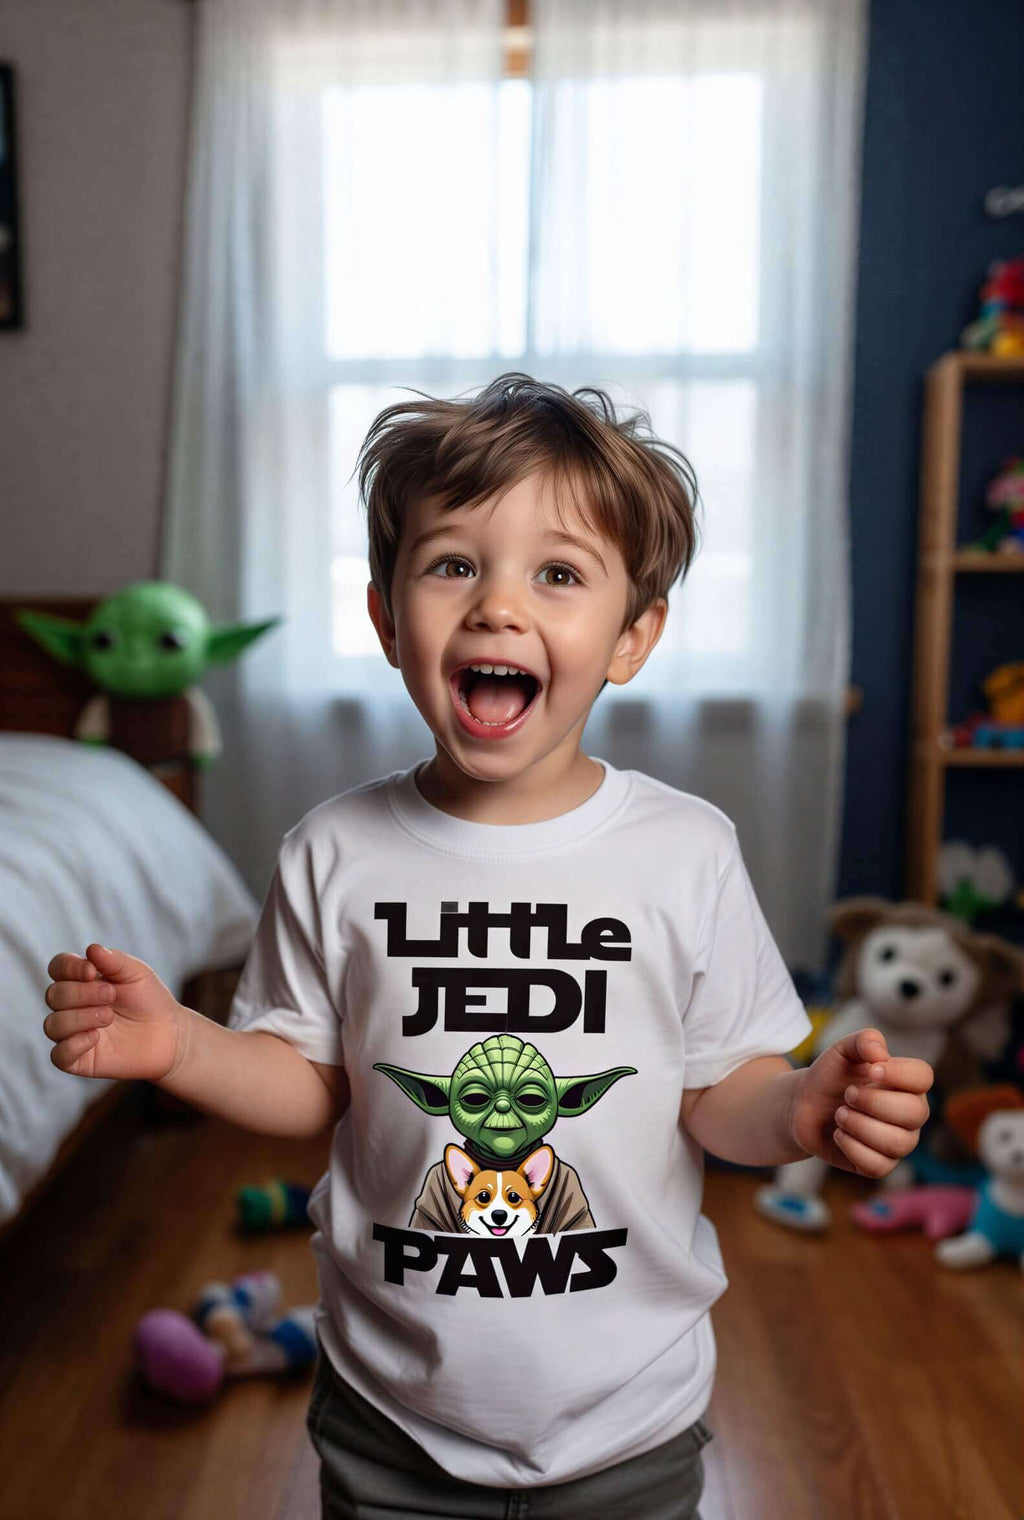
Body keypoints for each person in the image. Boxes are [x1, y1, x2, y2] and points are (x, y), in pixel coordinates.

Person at [43, 374, 934, 1520]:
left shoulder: (685, 849)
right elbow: (310, 1079)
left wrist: (803, 1105)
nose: (497, 607)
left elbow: (719, 1089)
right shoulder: (334, 849)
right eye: (453, 563)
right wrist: (183, 1045)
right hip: (390, 1415)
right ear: (384, 617)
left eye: (557, 573)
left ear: (631, 636)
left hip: (630, 1420)